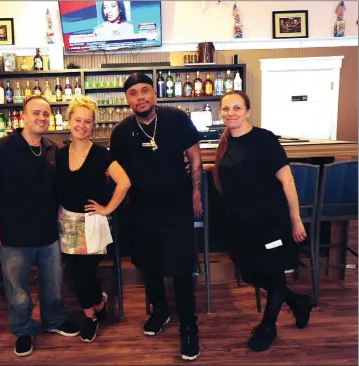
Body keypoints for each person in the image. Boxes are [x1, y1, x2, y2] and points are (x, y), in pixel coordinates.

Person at [204, 90, 313, 352]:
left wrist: (296, 220)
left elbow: (287, 180)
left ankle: (268, 326)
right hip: (240, 225)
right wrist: (201, 168)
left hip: (270, 222)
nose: (231, 113)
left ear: (248, 111)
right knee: (249, 271)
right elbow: (234, 172)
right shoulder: (226, 141)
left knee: (274, 273)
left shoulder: (264, 139)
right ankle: (298, 302)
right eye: (226, 108)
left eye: (237, 108)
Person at [0, 96, 80, 357]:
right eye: (36, 113)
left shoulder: (50, 149)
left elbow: (60, 185)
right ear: (23, 116)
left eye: (46, 114)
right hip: (12, 233)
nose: (42, 118)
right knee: (17, 288)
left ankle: (53, 320)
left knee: (53, 283)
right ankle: (23, 329)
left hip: (47, 231)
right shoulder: (1, 149)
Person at [109, 73, 202, 361]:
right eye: (133, 93)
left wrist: (196, 193)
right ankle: (160, 311)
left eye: (145, 90)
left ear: (154, 93)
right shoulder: (121, 132)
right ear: (127, 99)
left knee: (182, 267)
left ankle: (189, 325)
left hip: (177, 206)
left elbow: (195, 157)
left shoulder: (176, 118)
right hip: (141, 209)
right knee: (150, 266)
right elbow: (116, 171)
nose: (140, 97)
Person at [55, 97, 130, 343]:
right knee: (75, 276)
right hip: (67, 223)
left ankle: (92, 316)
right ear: (69, 120)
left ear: (93, 126)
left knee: (85, 275)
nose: (82, 125)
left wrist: (107, 209)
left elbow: (124, 182)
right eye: (78, 119)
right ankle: (97, 307)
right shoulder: (59, 154)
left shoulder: (100, 154)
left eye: (88, 121)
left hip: (92, 223)